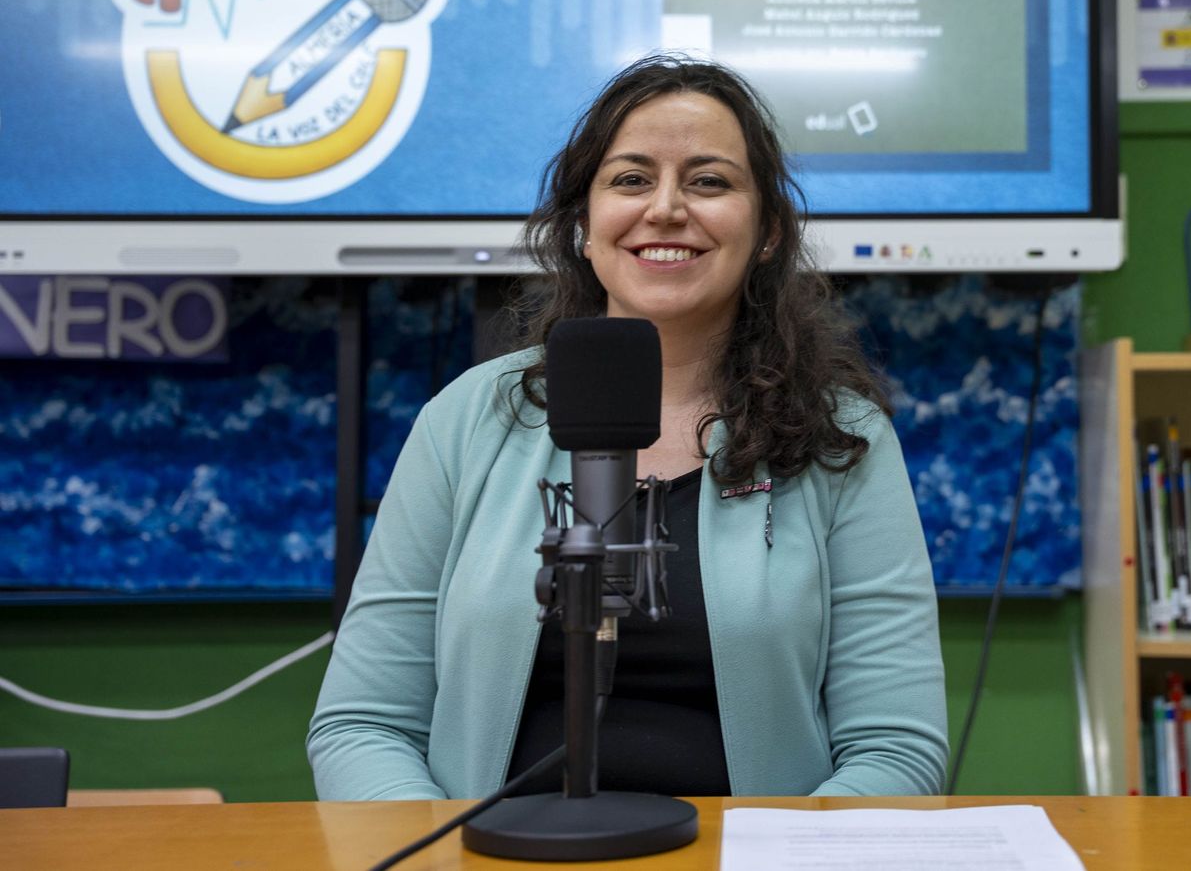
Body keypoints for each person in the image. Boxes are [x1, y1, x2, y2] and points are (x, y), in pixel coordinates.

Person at [307, 54, 948, 800]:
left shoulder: (843, 437)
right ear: (584, 224)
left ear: (768, 231)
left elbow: (896, 751)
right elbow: (363, 725)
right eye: (631, 179)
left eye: (709, 181)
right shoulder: (466, 419)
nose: (667, 208)